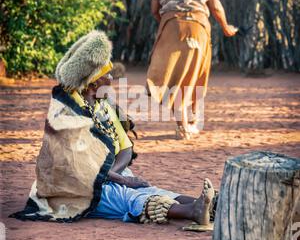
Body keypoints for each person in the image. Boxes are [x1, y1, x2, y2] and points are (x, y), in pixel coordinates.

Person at [11, 30, 216, 228]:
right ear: (92, 82)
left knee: (147, 189)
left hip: (108, 175)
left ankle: (209, 206)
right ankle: (193, 211)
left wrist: (116, 175)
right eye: (107, 75)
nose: (112, 79)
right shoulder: (67, 114)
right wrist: (119, 180)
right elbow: (80, 169)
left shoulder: (105, 106)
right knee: (129, 197)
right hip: (74, 188)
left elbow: (125, 148)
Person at [147, 0, 238, 139]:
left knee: (175, 76)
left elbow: (154, 10)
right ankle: (194, 121)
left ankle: (182, 126)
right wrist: (226, 27)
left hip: (171, 27)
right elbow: (215, 7)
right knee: (196, 74)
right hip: (198, 28)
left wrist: (169, 24)